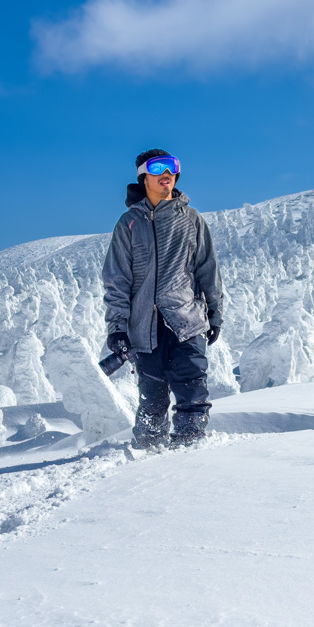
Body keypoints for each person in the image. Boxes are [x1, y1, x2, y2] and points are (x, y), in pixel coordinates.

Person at [102, 149, 224, 447]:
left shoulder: (192, 220)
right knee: (152, 404)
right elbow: (117, 280)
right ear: (144, 176)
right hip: (144, 328)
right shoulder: (129, 223)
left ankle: (189, 452)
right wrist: (117, 328)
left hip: (186, 322)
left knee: (193, 396)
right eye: (158, 168)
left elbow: (208, 269)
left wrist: (216, 313)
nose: (167, 173)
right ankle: (146, 455)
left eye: (172, 167)